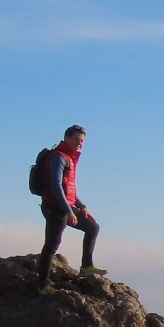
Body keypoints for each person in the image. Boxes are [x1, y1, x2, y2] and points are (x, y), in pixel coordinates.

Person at [37, 125, 105, 293]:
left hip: (64, 206)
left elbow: (68, 188)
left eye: (81, 141)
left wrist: (81, 206)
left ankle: (86, 267)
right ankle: (43, 285)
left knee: (92, 227)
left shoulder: (70, 158)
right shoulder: (58, 157)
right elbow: (55, 185)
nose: (79, 143)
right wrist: (68, 210)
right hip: (54, 207)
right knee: (52, 244)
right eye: (75, 139)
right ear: (66, 138)